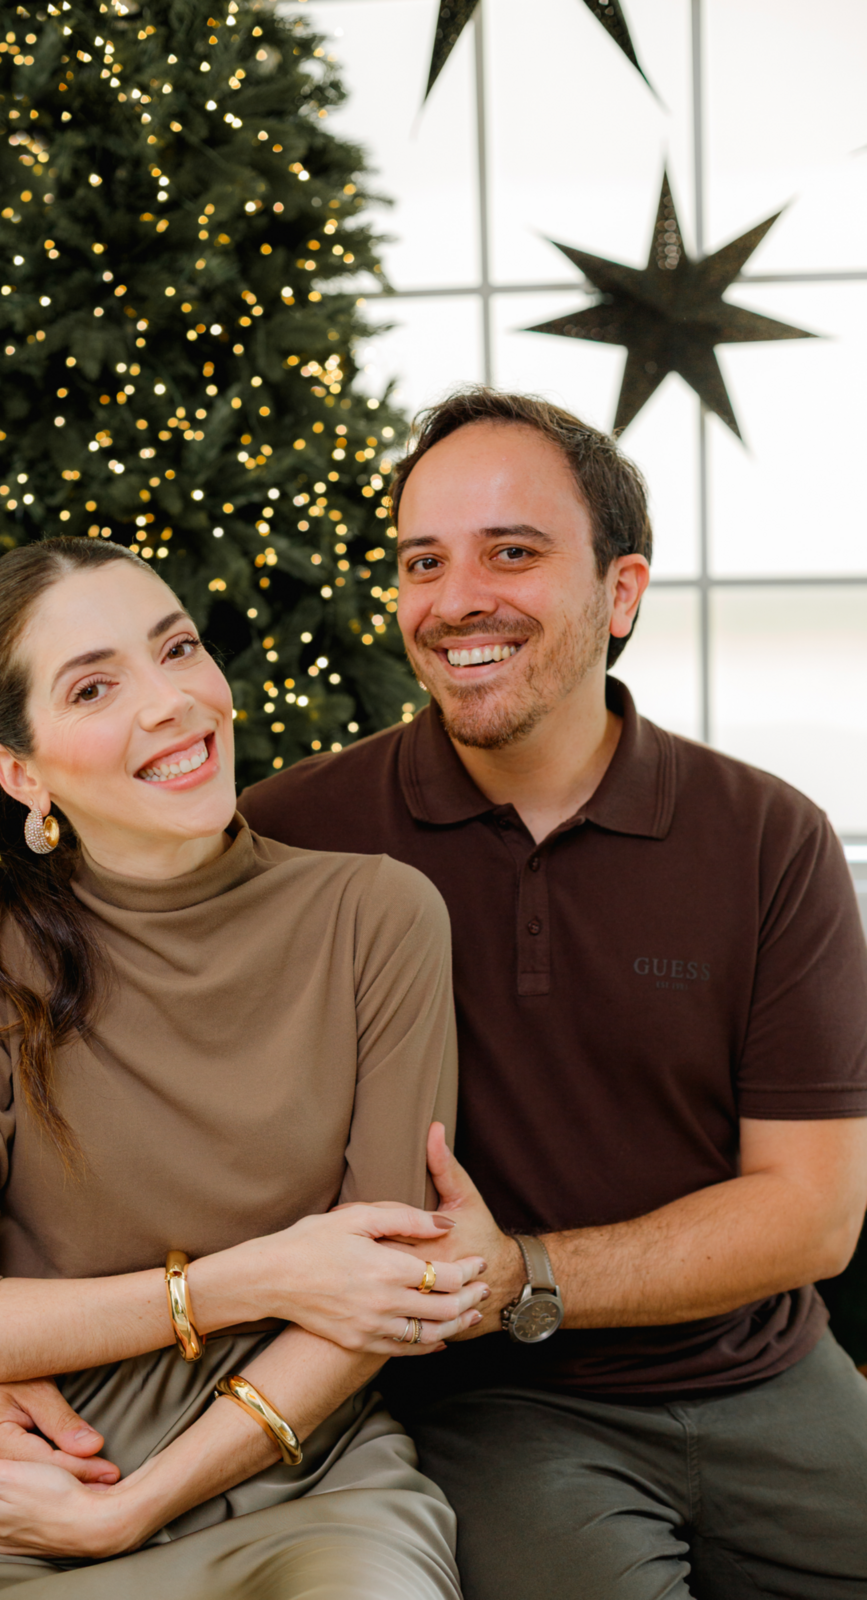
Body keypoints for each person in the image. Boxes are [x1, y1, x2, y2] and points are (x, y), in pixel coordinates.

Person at [239, 390, 867, 1599]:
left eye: (510, 552)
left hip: (771, 1380)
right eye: (423, 561)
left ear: (619, 592)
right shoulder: (294, 835)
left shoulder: (765, 836)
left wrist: (517, 1271)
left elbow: (810, 1214)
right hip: (493, 1414)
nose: (456, 597)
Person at [0, 535, 491, 1600]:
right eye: (96, 685)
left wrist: (131, 1507)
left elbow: (384, 1288)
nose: (169, 701)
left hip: (307, 1482)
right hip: (24, 1491)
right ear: (22, 772)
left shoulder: (376, 916)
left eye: (178, 648)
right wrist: (248, 1277)